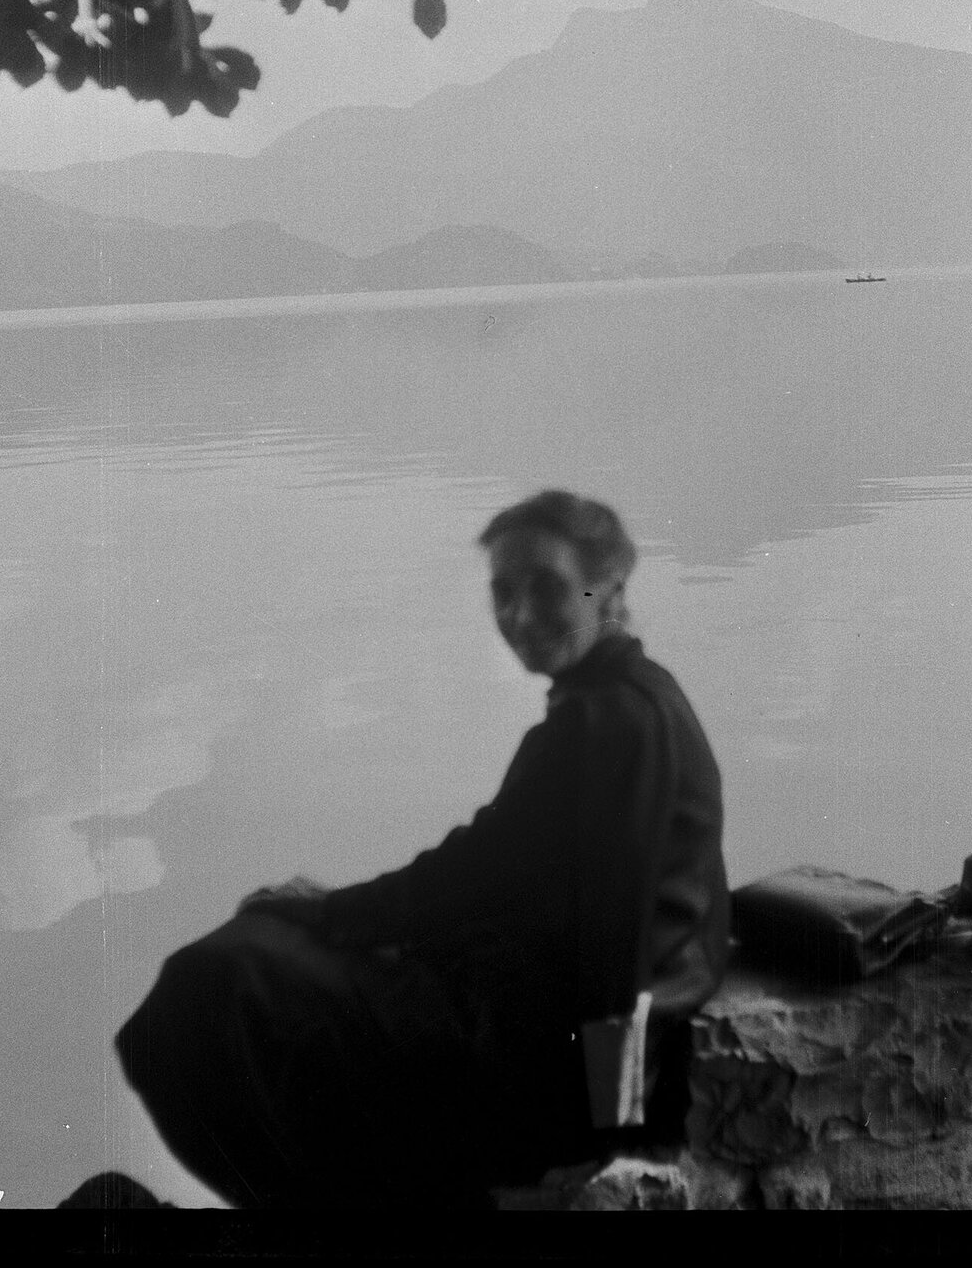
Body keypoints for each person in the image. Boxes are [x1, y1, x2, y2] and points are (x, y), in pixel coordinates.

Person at [113, 491, 729, 1209]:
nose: (520, 616)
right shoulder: (624, 696)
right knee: (254, 958)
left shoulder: (612, 723)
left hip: (543, 1045)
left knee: (212, 985)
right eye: (504, 590)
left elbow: (615, 951)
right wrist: (333, 911)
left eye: (549, 588)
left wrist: (614, 1135)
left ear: (610, 588)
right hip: (533, 991)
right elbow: (486, 862)